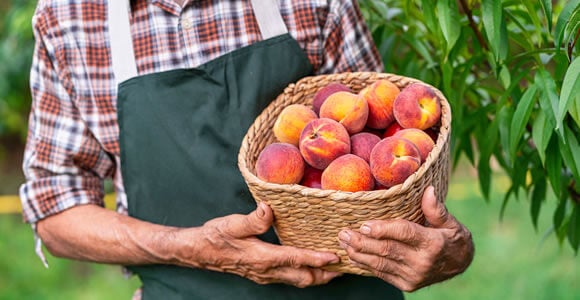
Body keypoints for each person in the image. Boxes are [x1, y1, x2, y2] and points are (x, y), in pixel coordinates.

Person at [20, 0, 474, 299]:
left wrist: (445, 252)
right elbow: (57, 211)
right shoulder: (68, 19)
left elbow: (386, 144)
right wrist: (189, 247)